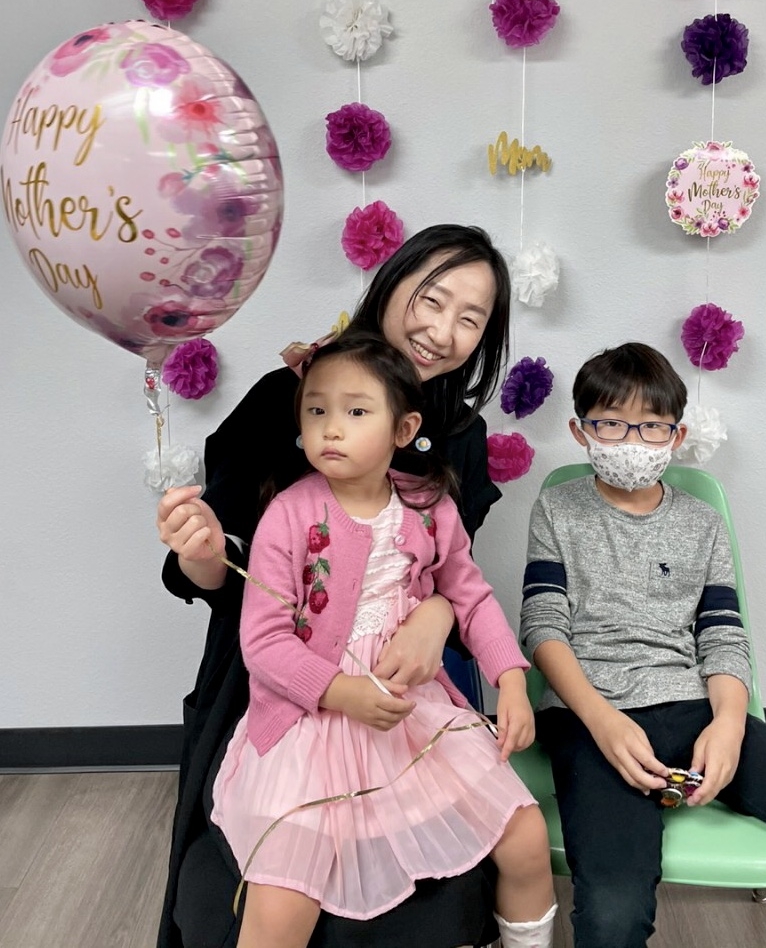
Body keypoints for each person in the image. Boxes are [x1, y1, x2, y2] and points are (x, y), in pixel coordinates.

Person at [157, 225, 514, 948]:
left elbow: (455, 572)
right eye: (431, 298)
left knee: (418, 900)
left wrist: (436, 615)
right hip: (269, 681)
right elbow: (218, 568)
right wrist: (200, 550)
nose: (441, 330)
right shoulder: (285, 398)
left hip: (396, 687)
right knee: (258, 896)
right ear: (391, 285)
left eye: (469, 318)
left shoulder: (461, 435)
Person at [520, 342, 766, 948]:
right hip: (589, 716)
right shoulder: (558, 509)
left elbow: (722, 634)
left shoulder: (701, 522)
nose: (631, 441)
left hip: (694, 706)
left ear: (677, 434)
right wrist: (602, 722)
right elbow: (542, 626)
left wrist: (729, 725)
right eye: (611, 423)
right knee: (614, 913)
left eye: (651, 426)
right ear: (580, 430)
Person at [208, 330, 556, 948]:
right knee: (283, 902)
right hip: (309, 726)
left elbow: (470, 597)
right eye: (317, 410)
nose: (331, 429)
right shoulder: (288, 514)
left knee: (526, 837)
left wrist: (511, 683)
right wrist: (342, 693)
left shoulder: (429, 507)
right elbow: (263, 643)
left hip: (414, 717)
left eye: (356, 412)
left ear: (404, 428)